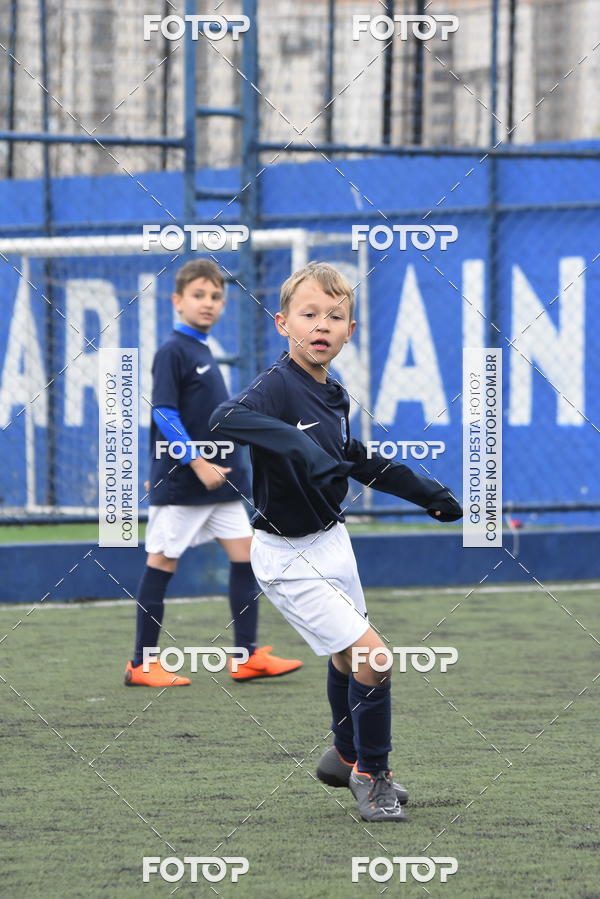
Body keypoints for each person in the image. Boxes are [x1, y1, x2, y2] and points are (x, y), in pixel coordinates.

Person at [208, 262, 462, 821]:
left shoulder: (334, 394)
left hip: (332, 544)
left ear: (350, 331)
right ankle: (373, 774)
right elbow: (224, 417)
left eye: (336, 316)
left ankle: (344, 756)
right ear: (283, 323)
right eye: (309, 314)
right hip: (285, 555)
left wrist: (428, 494)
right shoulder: (276, 386)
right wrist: (297, 451)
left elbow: (358, 460)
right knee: (376, 657)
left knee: (350, 656)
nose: (322, 325)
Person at [125, 259, 302, 687]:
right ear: (178, 300)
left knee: (246, 557)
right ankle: (141, 664)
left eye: (216, 296)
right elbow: (164, 414)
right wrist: (196, 462)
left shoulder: (203, 348)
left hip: (222, 483)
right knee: (161, 563)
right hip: (189, 482)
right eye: (199, 295)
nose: (208, 303)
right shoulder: (173, 350)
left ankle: (246, 656)